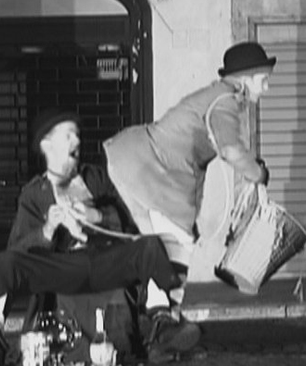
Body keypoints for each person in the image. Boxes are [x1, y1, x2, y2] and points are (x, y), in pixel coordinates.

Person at [0, 109, 201, 366]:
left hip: (104, 262)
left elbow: (130, 223)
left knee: (149, 246)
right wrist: (48, 229)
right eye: (67, 135)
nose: (76, 141)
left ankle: (163, 324)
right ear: (47, 144)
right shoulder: (34, 194)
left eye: (77, 135)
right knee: (4, 263)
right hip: (61, 268)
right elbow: (19, 249)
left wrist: (97, 215)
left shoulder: (98, 179)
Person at [102, 41, 275, 312]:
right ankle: (162, 317)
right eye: (263, 80)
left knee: (159, 247)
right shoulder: (224, 101)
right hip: (151, 171)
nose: (267, 87)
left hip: (137, 162)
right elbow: (231, 150)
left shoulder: (218, 96)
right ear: (245, 79)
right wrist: (259, 174)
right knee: (175, 246)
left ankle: (156, 312)